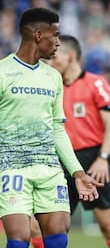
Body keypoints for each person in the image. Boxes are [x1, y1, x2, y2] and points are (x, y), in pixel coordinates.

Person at [0, 7, 102, 248]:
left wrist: (77, 172)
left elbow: (57, 129)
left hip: (51, 170)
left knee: (57, 237)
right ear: (39, 35)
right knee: (19, 239)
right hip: (12, 169)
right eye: (56, 35)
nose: (58, 43)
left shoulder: (52, 77)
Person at [30, 35, 110, 248]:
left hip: (93, 160)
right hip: (61, 162)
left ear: (71, 56)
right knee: (41, 226)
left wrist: (103, 158)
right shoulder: (51, 88)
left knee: (107, 225)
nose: (50, 63)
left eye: (55, 57)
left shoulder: (95, 83)